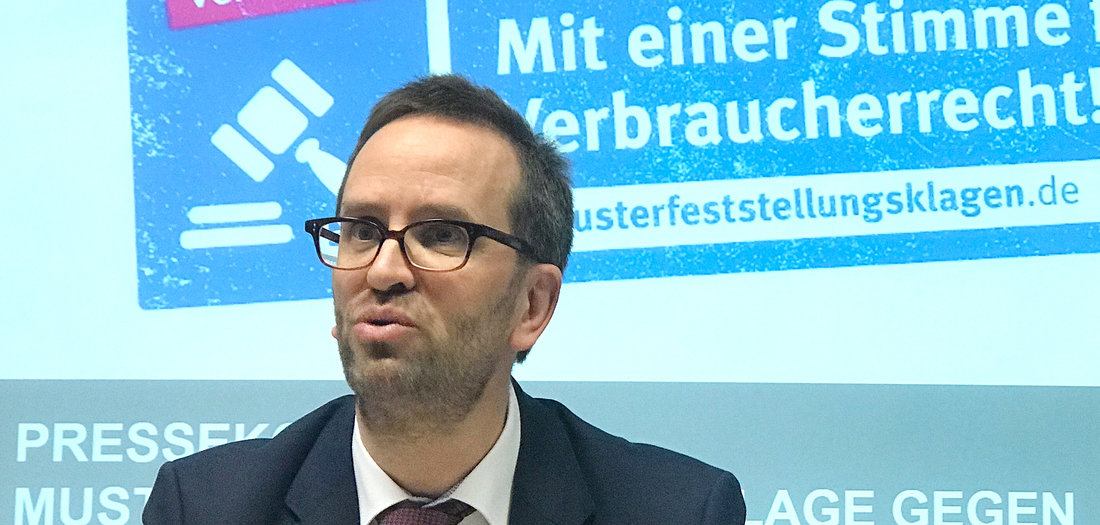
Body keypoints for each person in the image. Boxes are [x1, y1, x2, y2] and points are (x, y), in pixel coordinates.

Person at [143, 74, 747, 525]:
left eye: (440, 235)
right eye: (361, 230)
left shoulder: (678, 510)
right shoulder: (206, 507)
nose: (383, 270)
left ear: (532, 306)